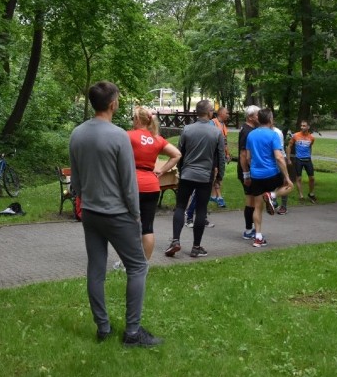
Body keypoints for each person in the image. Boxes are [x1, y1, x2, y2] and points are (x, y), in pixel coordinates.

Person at [69, 81, 161, 347]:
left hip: (90, 212)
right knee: (138, 267)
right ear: (113, 104)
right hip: (118, 213)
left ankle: (103, 328)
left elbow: (75, 182)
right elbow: (128, 183)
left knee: (96, 269)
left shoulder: (77, 134)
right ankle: (132, 333)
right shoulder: (119, 135)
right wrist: (135, 215)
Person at [164, 99, 225, 258]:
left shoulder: (187, 129)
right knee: (201, 210)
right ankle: (196, 246)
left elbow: (179, 152)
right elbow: (220, 157)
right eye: (212, 110)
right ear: (208, 112)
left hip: (187, 174)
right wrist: (219, 176)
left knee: (180, 207)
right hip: (205, 176)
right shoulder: (216, 132)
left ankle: (175, 241)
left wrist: (180, 169)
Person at [127, 107, 181, 261]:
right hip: (152, 185)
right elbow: (177, 154)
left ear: (137, 119)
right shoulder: (157, 139)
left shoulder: (129, 136)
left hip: (133, 185)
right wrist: (161, 170)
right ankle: (145, 263)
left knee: (130, 225)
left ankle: (129, 262)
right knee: (147, 227)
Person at [242, 108, 294, 247]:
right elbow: (278, 157)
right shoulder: (273, 135)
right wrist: (287, 176)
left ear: (259, 119)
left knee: (257, 207)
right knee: (289, 186)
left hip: (256, 175)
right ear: (270, 119)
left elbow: (248, 157)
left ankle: (258, 237)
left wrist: (252, 170)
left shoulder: (251, 135)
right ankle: (272, 195)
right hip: (271, 174)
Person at [238, 105, 261, 240]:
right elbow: (242, 154)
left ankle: (251, 228)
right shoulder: (247, 131)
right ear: (251, 117)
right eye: (258, 115)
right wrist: (246, 174)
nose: (259, 117)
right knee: (250, 199)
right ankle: (248, 230)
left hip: (251, 170)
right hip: (246, 171)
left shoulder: (252, 129)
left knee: (253, 199)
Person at [288, 120, 317, 205]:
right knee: (299, 178)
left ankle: (311, 194)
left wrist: (309, 156)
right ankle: (301, 195)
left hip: (307, 159)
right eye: (301, 125)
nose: (302, 127)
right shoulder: (295, 136)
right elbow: (289, 147)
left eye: (304, 126)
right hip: (298, 159)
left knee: (312, 178)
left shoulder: (311, 138)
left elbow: (310, 147)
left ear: (308, 127)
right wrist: (288, 158)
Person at [210, 107, 230, 207]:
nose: (228, 115)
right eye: (227, 113)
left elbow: (225, 141)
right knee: (217, 174)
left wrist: (227, 154)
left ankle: (214, 196)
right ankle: (219, 197)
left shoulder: (223, 125)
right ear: (221, 113)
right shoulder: (212, 123)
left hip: (221, 154)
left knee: (219, 174)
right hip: (214, 154)